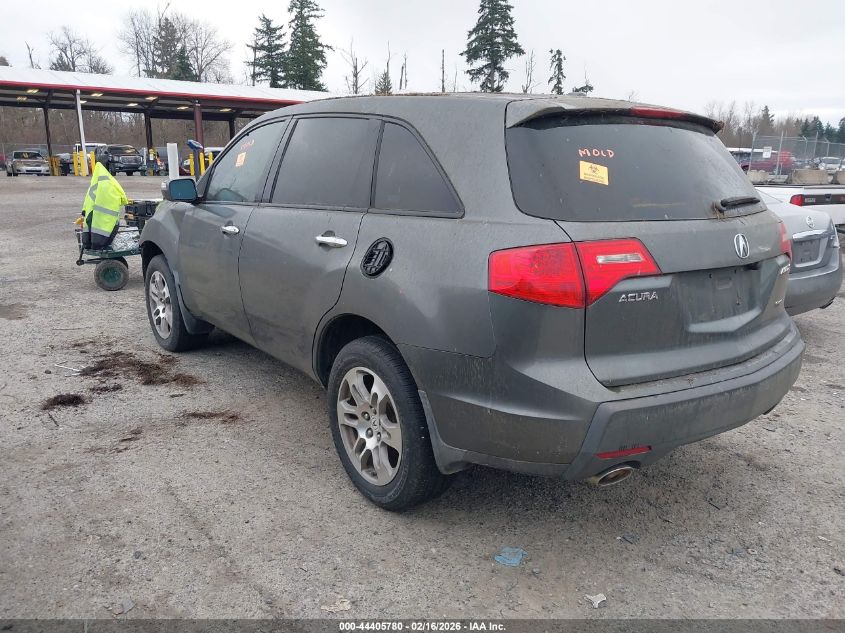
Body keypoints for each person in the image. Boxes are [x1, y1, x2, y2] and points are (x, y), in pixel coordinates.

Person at [80, 162, 129, 249]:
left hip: (92, 219)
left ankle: (88, 244)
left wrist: (84, 210)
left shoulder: (94, 183)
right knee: (103, 234)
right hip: (106, 221)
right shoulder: (110, 183)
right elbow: (123, 199)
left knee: (92, 233)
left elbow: (87, 201)